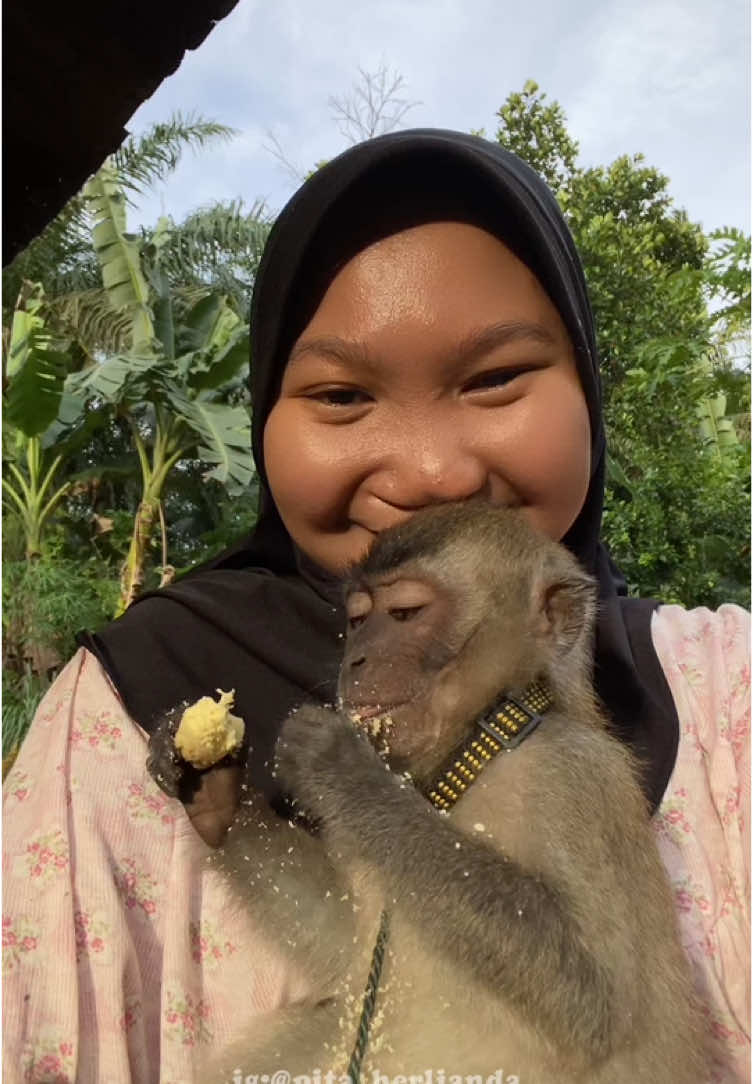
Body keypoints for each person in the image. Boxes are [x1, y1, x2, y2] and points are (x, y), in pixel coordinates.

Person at [3, 131, 748, 1084]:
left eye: (493, 379)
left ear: (553, 619)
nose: (431, 472)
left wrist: (359, 801)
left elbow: (586, 1002)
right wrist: (242, 830)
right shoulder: (125, 685)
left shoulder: (570, 758)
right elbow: (367, 960)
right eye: (343, 393)